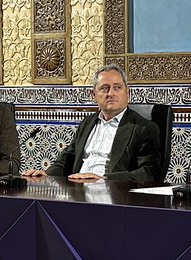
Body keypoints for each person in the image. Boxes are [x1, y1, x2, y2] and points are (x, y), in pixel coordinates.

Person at [23, 64, 162, 185]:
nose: (111, 94)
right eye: (104, 88)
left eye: (117, 88)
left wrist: (104, 179)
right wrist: (47, 174)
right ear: (93, 94)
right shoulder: (87, 123)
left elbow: (149, 172)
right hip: (78, 191)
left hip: (114, 194)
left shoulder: (144, 128)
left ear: (127, 92)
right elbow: (67, 159)